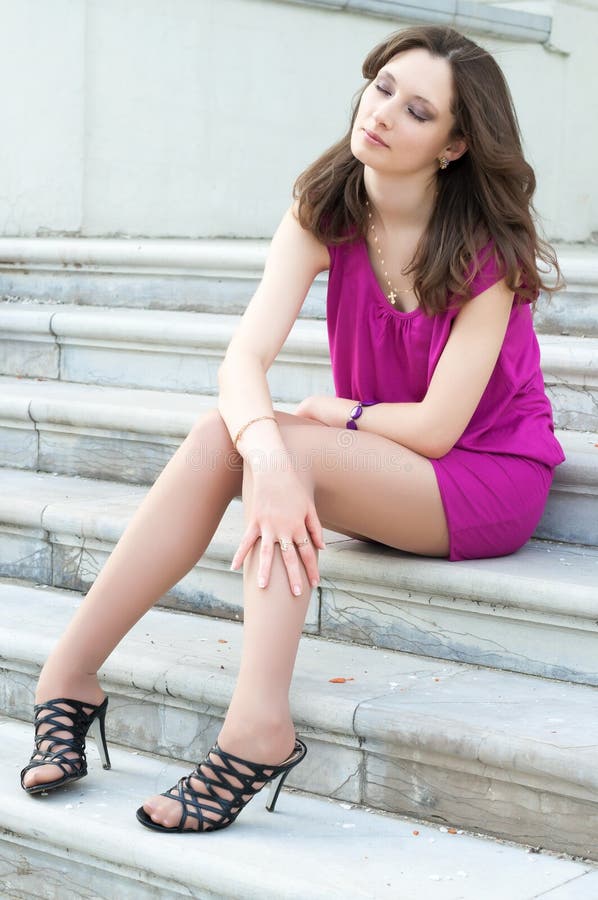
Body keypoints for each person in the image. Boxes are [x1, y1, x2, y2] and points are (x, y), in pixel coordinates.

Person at [19, 24, 566, 833]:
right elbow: (242, 363)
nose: (382, 114)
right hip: (384, 461)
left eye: (418, 111)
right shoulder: (325, 211)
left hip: (484, 476)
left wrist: (325, 420)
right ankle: (67, 676)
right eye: (382, 88)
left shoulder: (486, 254)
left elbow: (442, 427)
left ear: (453, 146)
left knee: (280, 443)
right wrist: (268, 453)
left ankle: (257, 730)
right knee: (222, 434)